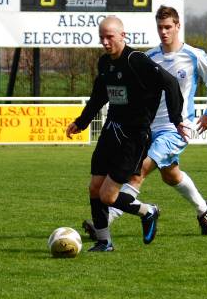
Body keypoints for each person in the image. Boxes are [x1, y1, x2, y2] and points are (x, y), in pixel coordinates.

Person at [83, 6, 207, 238]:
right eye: (160, 27)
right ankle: (203, 208)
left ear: (178, 26)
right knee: (170, 175)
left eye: (168, 27)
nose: (164, 32)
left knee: (139, 172)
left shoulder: (194, 55)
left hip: (176, 128)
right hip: (148, 128)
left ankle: (103, 225)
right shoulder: (147, 57)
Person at [66, 15, 189, 252]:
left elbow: (171, 83)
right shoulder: (105, 63)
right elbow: (99, 96)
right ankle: (104, 242)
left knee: (109, 197)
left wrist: (176, 120)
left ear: (123, 35)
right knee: (94, 188)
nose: (104, 42)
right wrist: (81, 122)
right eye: (101, 37)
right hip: (111, 131)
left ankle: (148, 211)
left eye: (109, 36)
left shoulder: (137, 60)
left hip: (134, 137)